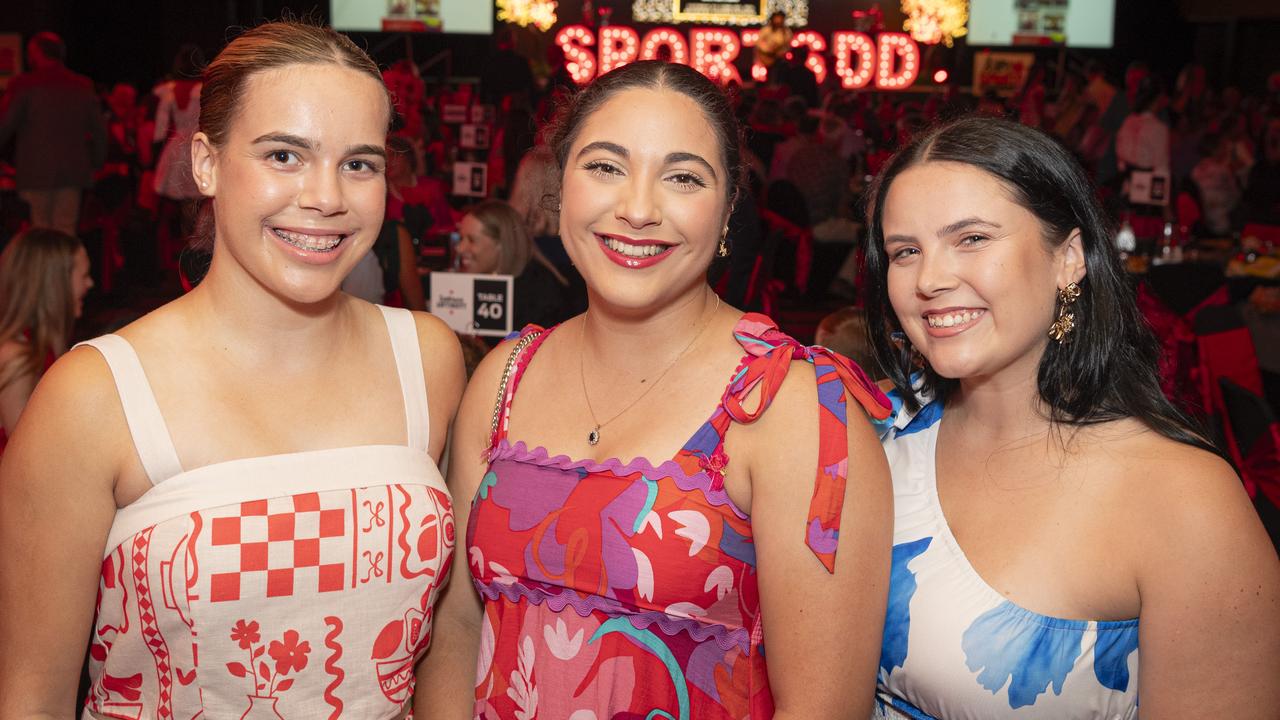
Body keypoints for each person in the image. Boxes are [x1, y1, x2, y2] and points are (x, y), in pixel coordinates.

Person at [0, 21, 466, 719]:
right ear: (206, 162)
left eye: (360, 164)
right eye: (285, 155)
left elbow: (448, 644)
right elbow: (33, 697)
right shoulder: (95, 396)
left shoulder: (427, 358)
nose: (326, 197)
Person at [418, 59, 893, 719]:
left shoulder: (788, 406)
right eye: (606, 167)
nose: (638, 209)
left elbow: (822, 706)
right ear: (562, 187)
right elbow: (457, 634)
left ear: (728, 210)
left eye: (682, 178)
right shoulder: (505, 375)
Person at [862, 116, 1280, 718]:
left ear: (1070, 259)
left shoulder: (1181, 499)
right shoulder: (868, 429)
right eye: (906, 251)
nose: (929, 279)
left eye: (972, 239)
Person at [0, 31, 106, 236]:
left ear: (36, 52)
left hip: (34, 172)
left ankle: (43, 269)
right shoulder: (82, 85)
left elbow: (4, 126)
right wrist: (96, 163)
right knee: (65, 231)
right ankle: (65, 268)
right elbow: (100, 131)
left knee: (38, 232)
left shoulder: (23, 85)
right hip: (72, 172)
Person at [0, 228, 93, 453]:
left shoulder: (43, 348)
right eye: (83, 276)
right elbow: (26, 456)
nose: (90, 284)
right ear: (55, 285)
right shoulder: (17, 357)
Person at [452, 199, 570, 330]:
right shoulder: (462, 286)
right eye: (461, 238)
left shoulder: (537, 294)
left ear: (501, 243)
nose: (460, 248)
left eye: (471, 240)